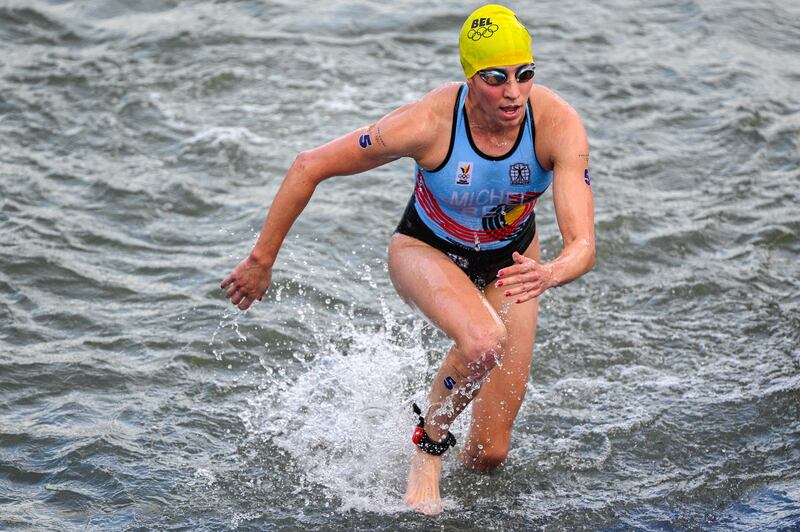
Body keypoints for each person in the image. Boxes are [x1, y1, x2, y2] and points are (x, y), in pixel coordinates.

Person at [220, 4, 595, 515]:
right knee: (483, 341)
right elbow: (309, 165)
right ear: (469, 77)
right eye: (495, 77)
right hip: (426, 250)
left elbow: (583, 247)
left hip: (515, 266)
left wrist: (549, 271)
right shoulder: (426, 123)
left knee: (490, 453)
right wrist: (262, 260)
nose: (513, 92)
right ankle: (427, 445)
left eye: (525, 74)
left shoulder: (556, 125)